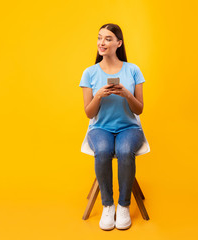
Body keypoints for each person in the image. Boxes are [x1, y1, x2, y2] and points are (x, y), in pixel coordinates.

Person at [79, 23, 146, 231]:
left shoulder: (133, 69)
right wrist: (98, 95)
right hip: (100, 128)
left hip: (129, 128)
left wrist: (126, 94)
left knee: (125, 150)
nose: (102, 43)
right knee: (104, 150)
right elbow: (89, 113)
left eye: (108, 39)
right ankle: (108, 205)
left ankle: (123, 205)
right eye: (100, 38)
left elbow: (140, 109)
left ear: (119, 43)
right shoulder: (89, 73)